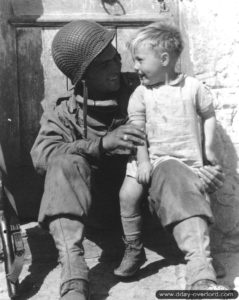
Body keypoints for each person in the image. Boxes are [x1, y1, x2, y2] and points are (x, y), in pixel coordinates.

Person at [30, 20, 225, 300]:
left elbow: (189, 125)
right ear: (82, 76)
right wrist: (100, 145)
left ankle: (200, 272)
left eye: (116, 58)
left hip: (153, 206)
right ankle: (74, 278)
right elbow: (41, 156)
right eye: (104, 65)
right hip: (96, 210)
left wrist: (207, 168)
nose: (116, 68)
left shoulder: (146, 88)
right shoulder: (65, 113)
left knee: (170, 166)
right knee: (63, 161)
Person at [114, 21, 221, 281]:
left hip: (186, 159)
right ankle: (134, 247)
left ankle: (205, 256)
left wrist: (208, 149)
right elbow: (138, 130)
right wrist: (142, 162)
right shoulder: (141, 94)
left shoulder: (193, 88)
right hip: (149, 156)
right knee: (127, 195)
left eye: (140, 60)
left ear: (164, 59)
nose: (135, 67)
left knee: (197, 196)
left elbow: (208, 115)